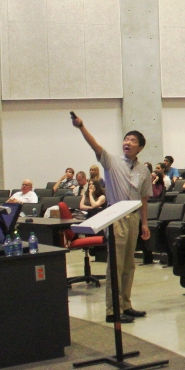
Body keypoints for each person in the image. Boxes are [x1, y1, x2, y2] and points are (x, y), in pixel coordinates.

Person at [71, 114, 151, 324]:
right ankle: (112, 310)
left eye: (133, 141)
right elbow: (94, 145)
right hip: (116, 219)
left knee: (129, 265)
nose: (128, 142)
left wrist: (144, 223)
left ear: (140, 147)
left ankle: (126, 304)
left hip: (134, 219)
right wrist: (82, 127)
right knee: (115, 266)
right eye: (126, 139)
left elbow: (144, 198)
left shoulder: (144, 170)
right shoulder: (111, 161)